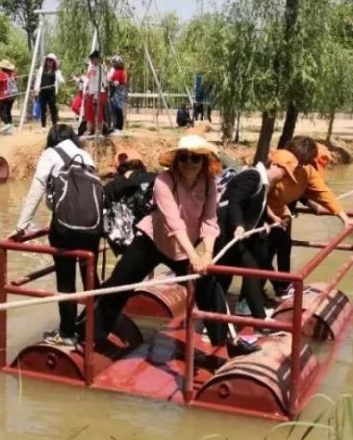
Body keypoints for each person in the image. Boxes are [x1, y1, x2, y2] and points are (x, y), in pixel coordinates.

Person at [92, 135, 249, 356]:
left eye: (195, 158)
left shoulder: (209, 184)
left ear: (204, 161)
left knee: (209, 288)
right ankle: (90, 336)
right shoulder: (164, 181)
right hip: (152, 240)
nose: (189, 163)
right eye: (184, 158)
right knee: (119, 284)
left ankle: (225, 342)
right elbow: (173, 223)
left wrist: (207, 254)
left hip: (185, 247)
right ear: (176, 160)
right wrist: (194, 256)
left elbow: (210, 221)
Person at [13, 124, 100, 346]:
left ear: (52, 139)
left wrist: (21, 227)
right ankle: (96, 327)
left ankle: (67, 334)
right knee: (89, 276)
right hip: (93, 229)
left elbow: (37, 189)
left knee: (66, 281)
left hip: (65, 231)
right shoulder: (86, 156)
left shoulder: (51, 154)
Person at [265, 136, 353, 298]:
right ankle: (270, 289)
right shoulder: (274, 167)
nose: (299, 167)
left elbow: (323, 193)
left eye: (303, 163)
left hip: (280, 216)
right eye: (298, 162)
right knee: (263, 255)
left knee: (282, 247)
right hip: (260, 217)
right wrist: (272, 217)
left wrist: (344, 217)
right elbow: (259, 196)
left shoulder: (306, 171)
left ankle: (280, 286)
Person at [215, 156, 289, 322]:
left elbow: (254, 207)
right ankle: (258, 318)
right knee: (241, 271)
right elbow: (234, 202)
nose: (284, 178)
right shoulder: (252, 176)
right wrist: (238, 224)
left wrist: (268, 222)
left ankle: (225, 318)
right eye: (284, 173)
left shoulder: (263, 183)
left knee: (231, 275)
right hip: (226, 233)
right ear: (275, 164)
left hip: (233, 234)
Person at [103, 158, 157, 255]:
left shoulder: (109, 187)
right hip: (148, 233)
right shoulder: (153, 178)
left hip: (122, 238)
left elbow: (104, 213)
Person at [34, 53, 64, 129]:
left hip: (51, 92)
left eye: (51, 60)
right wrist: (36, 89)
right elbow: (38, 80)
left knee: (52, 108)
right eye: (48, 60)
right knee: (43, 109)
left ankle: (54, 125)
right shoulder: (41, 69)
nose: (49, 62)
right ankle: (43, 126)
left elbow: (60, 79)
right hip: (42, 91)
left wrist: (62, 81)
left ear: (54, 62)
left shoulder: (56, 71)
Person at [83, 50, 107, 136]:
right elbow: (89, 81)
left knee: (98, 111)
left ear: (97, 59)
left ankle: (99, 130)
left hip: (100, 92)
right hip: (91, 92)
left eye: (93, 59)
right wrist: (86, 90)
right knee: (89, 111)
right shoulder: (91, 68)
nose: (92, 61)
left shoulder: (101, 69)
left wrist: (98, 93)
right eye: (91, 60)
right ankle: (89, 129)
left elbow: (104, 82)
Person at [0, 60, 17, 132]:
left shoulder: (1, 74)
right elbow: (16, 80)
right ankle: (10, 126)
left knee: (0, 110)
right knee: (8, 111)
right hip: (12, 94)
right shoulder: (13, 74)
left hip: (3, 95)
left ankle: (7, 124)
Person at [108, 55, 128, 133]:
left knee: (116, 109)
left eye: (114, 63)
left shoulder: (118, 72)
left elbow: (116, 83)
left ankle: (117, 127)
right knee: (118, 109)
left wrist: (110, 82)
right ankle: (117, 127)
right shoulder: (123, 71)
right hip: (121, 91)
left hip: (117, 92)